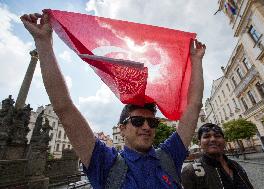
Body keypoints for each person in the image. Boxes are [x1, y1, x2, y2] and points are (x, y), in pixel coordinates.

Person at [20, 12, 206, 189]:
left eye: (152, 122)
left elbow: (194, 106)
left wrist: (196, 60)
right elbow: (64, 109)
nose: (147, 127)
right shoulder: (105, 162)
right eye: (138, 121)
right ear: (122, 128)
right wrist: (43, 42)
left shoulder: (169, 156)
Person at [181, 123, 254, 189]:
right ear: (199, 143)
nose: (213, 139)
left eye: (217, 136)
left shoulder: (236, 166)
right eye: (206, 136)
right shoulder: (190, 171)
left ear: (224, 141)